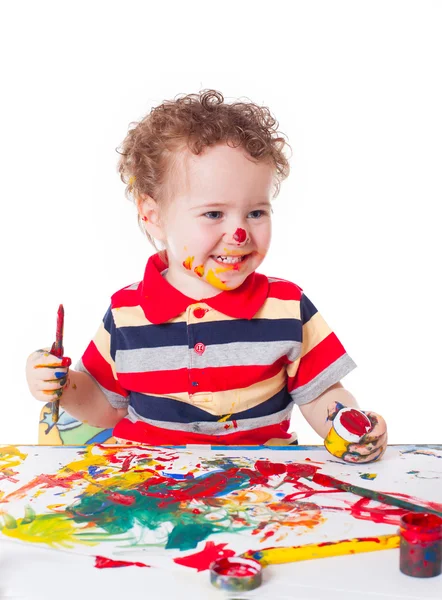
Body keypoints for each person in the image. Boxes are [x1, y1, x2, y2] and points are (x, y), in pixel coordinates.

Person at [26, 90, 387, 463]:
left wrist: (348, 423)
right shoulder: (127, 313)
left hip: (261, 481)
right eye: (214, 214)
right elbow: (106, 406)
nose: (240, 233)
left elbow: (321, 394)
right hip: (147, 479)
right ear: (154, 216)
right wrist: (61, 385)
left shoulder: (287, 307)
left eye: (256, 213)